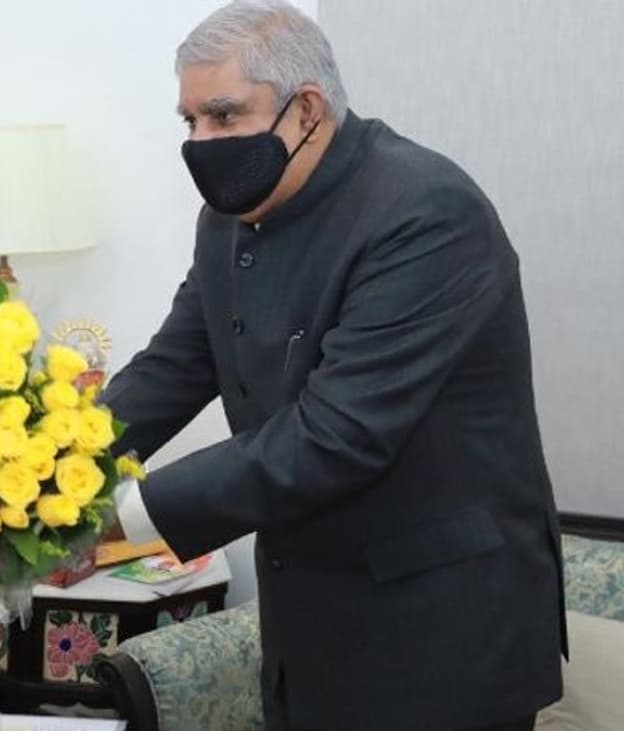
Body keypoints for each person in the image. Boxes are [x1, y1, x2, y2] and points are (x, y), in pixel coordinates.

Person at [103, 2, 564, 729]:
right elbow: (173, 366)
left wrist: (119, 519)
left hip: (441, 639)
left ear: (307, 110)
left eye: (223, 116)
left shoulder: (426, 213)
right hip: (309, 628)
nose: (200, 143)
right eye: (189, 121)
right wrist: (39, 470)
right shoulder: (230, 215)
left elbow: (336, 435)